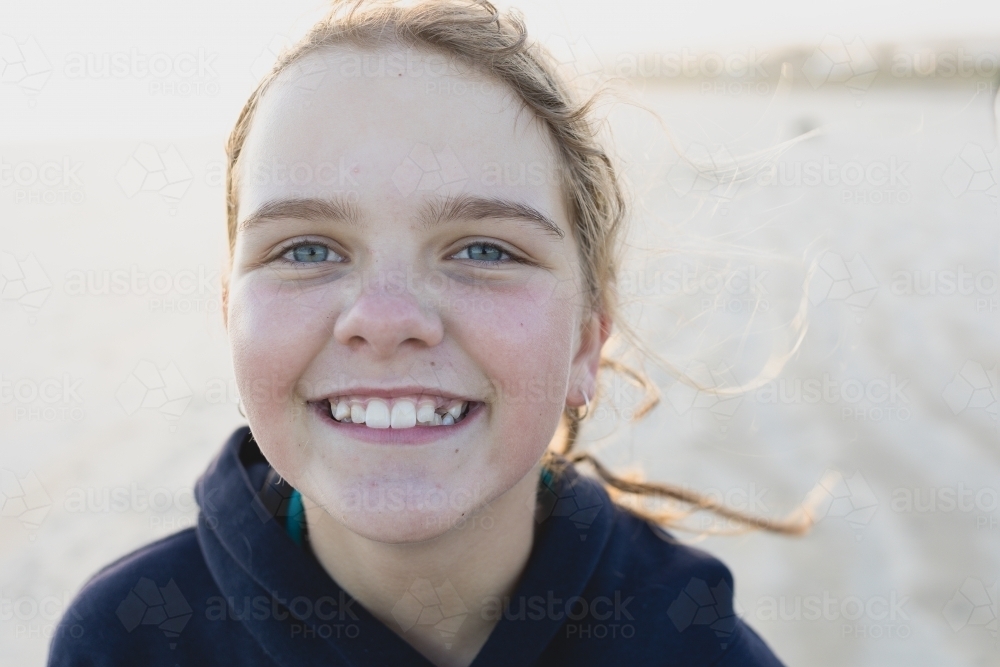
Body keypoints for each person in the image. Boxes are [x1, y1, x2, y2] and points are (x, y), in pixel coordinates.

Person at [49, 1, 805, 664]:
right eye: (307, 250)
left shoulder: (694, 647)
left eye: (484, 249)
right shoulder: (130, 638)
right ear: (231, 315)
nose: (384, 319)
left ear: (585, 341)